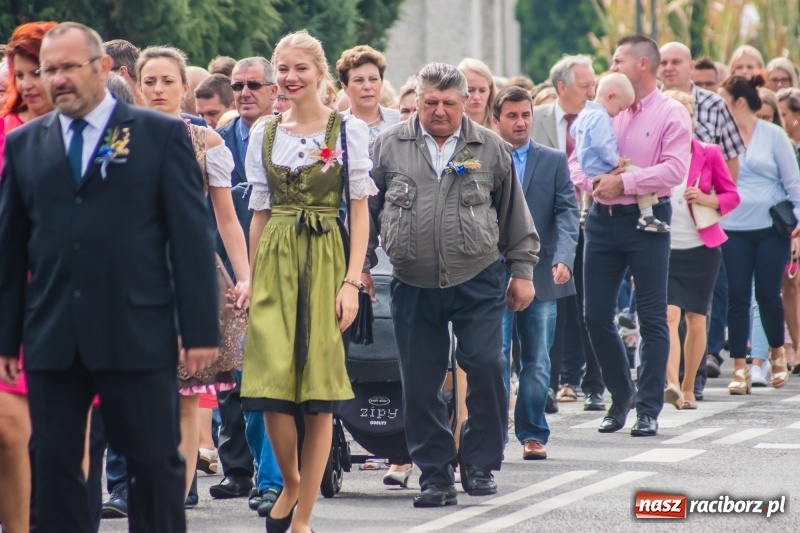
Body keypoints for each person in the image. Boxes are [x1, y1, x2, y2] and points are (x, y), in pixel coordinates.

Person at [0, 22, 220, 533]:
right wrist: (7, 339)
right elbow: (11, 248)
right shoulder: (26, 144)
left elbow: (190, 237)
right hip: (54, 336)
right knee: (55, 471)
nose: (56, 79)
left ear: (101, 68)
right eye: (48, 70)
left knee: (153, 467)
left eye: (68, 67)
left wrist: (199, 329)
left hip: (136, 332)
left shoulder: (158, 136)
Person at [366, 62, 538, 508]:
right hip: (412, 281)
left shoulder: (491, 148)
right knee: (420, 383)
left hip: (478, 278)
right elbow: (366, 214)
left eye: (448, 103)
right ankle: (435, 475)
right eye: (430, 102)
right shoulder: (387, 146)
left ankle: (479, 464)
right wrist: (360, 267)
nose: (439, 111)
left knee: (486, 365)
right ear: (418, 101)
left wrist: (522, 272)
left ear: (465, 103)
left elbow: (514, 216)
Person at [241, 30, 375, 533]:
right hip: (275, 257)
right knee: (270, 382)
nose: (290, 77)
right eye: (283, 69)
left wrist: (351, 283)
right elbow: (258, 214)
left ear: (320, 73)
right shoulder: (265, 132)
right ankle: (291, 480)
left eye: (300, 68)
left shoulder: (347, 130)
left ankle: (304, 516)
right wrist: (250, 279)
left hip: (324, 257)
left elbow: (358, 212)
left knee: (318, 392)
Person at [136, 45, 251, 501]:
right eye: (150, 81)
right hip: (134, 277)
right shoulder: (118, 140)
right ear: (137, 86)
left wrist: (244, 276)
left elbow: (227, 219)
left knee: (186, 400)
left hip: (190, 275)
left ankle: (173, 507)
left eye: (168, 81)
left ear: (184, 87)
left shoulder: (207, 142)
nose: (159, 89)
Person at [569, 35, 692, 437]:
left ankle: (648, 407)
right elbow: (575, 161)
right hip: (602, 219)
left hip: (647, 219)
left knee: (652, 317)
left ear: (642, 64)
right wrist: (593, 183)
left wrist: (623, 182)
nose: (612, 66)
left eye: (618, 59)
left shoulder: (671, 112)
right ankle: (622, 394)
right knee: (594, 315)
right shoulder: (603, 108)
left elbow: (674, 169)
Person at [492, 86, 578, 460]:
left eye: (526, 114)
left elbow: (567, 212)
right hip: (493, 275)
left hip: (541, 274)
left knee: (538, 360)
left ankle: (532, 433)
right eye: (511, 115)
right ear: (496, 120)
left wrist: (564, 257)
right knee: (494, 357)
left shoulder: (553, 160)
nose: (520, 122)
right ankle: (494, 432)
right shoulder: (484, 157)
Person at [658, 42, 747, 396]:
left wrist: (709, 199)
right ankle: (670, 383)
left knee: (696, 318)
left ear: (693, 120)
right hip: (664, 246)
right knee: (668, 315)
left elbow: (732, 194)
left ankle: (689, 386)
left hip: (701, 247)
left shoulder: (708, 153)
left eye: (687, 116)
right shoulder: (654, 155)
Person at [212, 56, 279, 509]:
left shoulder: (285, 135)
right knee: (232, 381)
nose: (244, 93)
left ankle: (272, 478)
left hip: (277, 267)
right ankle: (238, 469)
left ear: (274, 90)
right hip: (225, 271)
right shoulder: (218, 138)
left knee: (265, 378)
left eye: (254, 84)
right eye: (237, 86)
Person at [0, 21, 57, 533]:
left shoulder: (91, 135)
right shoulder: (5, 130)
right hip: (9, 289)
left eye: (37, 71)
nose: (29, 83)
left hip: (62, 293)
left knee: (63, 436)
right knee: (9, 428)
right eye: (20, 74)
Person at [719, 75, 800, 393]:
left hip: (770, 228)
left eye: (723, 101)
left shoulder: (774, 135)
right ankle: (740, 367)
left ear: (739, 102)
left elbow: (793, 183)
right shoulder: (721, 136)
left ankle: (777, 354)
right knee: (737, 296)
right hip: (733, 227)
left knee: (767, 294)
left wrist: (797, 226)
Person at [531, 54, 602, 413]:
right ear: (562, 87)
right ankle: (549, 384)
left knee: (591, 307)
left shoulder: (602, 118)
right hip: (549, 228)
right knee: (551, 306)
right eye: (585, 85)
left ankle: (595, 384)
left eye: (594, 85)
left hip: (592, 222)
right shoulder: (535, 118)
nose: (592, 92)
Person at [573, 72, 668, 232]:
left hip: (588, 167)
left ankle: (585, 210)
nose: (618, 113)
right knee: (641, 175)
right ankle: (647, 216)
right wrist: (615, 160)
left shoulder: (584, 114)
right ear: (611, 96)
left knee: (595, 180)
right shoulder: (600, 117)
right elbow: (601, 145)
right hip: (604, 166)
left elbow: (574, 132)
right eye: (620, 108)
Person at [336, 45, 400, 144]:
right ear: (345, 87)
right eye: (359, 80)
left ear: (381, 83)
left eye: (373, 79)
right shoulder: (334, 127)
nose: (367, 86)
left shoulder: (398, 121)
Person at [458, 58, 496, 128]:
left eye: (482, 90)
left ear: (490, 91)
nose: (476, 97)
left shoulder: (501, 127)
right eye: (470, 90)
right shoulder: (447, 128)